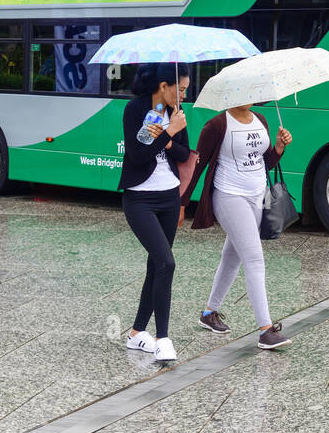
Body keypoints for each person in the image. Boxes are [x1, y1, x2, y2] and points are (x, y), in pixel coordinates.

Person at [186, 104, 295, 351]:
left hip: (257, 196)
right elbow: (198, 165)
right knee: (254, 259)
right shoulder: (216, 125)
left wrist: (278, 147)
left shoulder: (261, 119)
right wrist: (181, 204)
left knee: (232, 256)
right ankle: (266, 330)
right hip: (229, 196)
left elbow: (263, 161)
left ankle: (209, 312)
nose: (251, 97)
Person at [118, 65, 191, 363]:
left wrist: (172, 134)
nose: (185, 94)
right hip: (139, 199)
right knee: (167, 263)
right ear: (164, 86)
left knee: (156, 266)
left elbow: (186, 154)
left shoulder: (177, 113)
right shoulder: (135, 109)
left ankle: (136, 334)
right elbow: (137, 154)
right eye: (181, 88)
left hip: (169, 197)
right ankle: (162, 338)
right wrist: (168, 133)